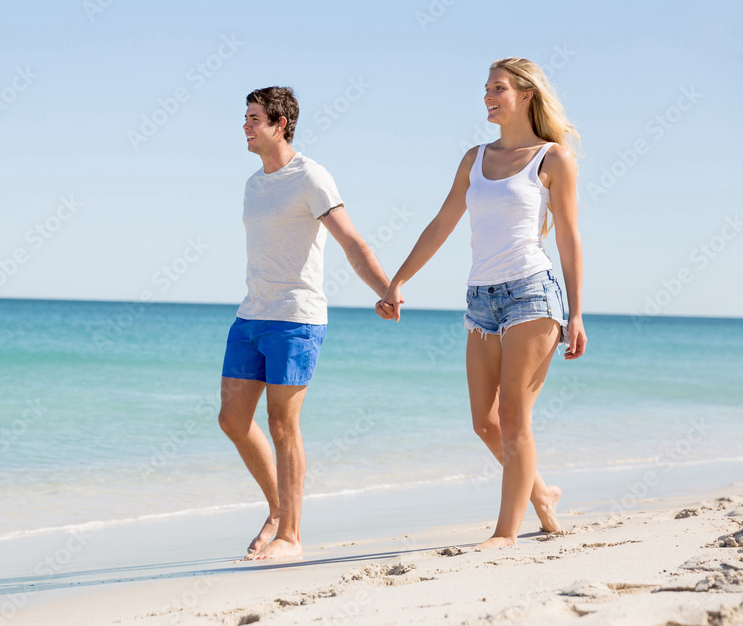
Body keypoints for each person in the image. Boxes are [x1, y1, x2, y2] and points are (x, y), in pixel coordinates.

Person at [377, 58, 587, 550]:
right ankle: (541, 493)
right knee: (485, 422)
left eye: (499, 88)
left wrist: (575, 312)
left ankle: (505, 533)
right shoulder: (474, 159)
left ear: (526, 95)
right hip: (480, 300)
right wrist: (398, 279)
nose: (488, 96)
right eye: (486, 88)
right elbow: (441, 223)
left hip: (532, 295)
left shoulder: (552, 159)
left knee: (515, 416)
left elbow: (571, 239)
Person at [219, 86, 394, 560]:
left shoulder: (311, 177)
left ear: (280, 124)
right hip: (251, 314)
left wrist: (385, 289)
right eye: (246, 117)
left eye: (254, 118)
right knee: (232, 419)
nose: (246, 126)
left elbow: (351, 241)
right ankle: (278, 510)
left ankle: (291, 536)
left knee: (282, 424)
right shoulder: (253, 184)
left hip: (295, 318)